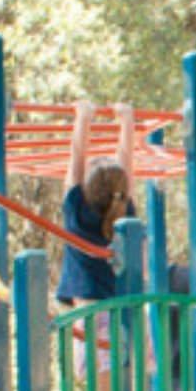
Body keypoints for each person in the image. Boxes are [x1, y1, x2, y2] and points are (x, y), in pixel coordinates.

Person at [56, 99, 135, 308]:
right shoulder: (124, 211)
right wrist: (127, 120)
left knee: (92, 341)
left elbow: (77, 156)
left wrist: (84, 116)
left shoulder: (78, 211)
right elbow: (126, 159)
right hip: (122, 311)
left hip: (88, 311)